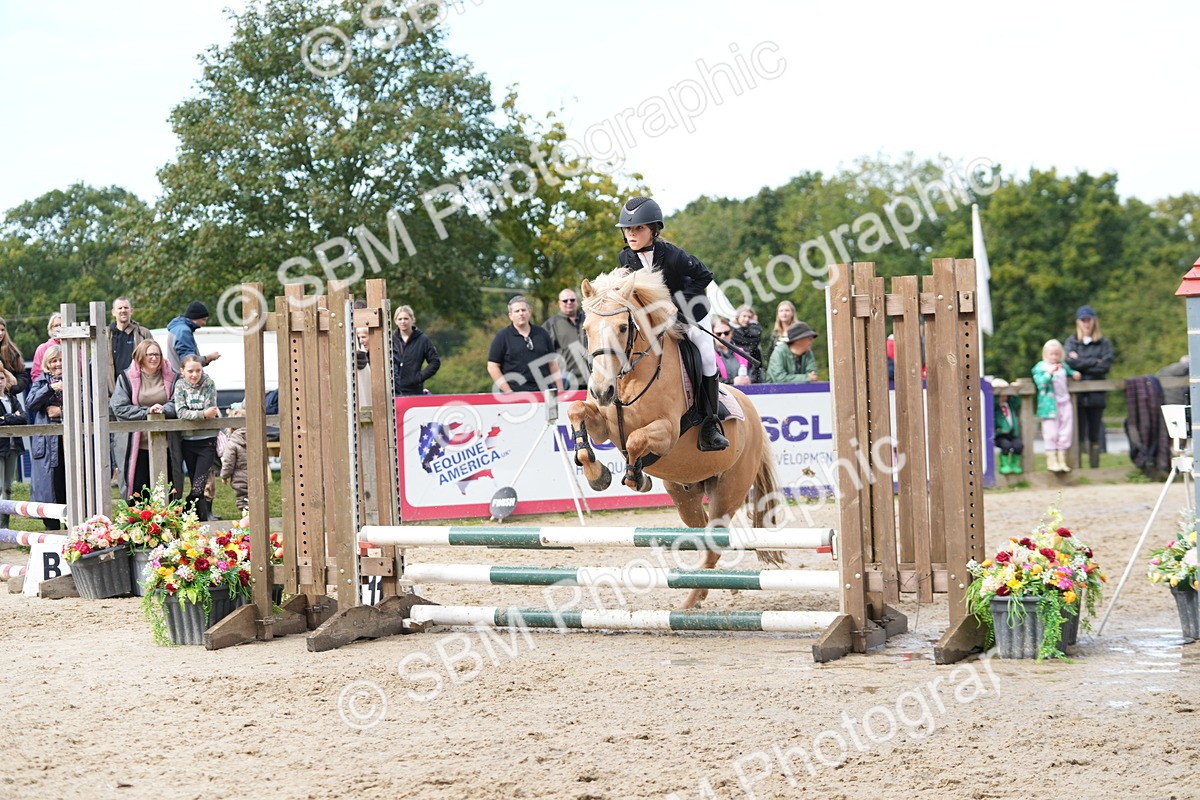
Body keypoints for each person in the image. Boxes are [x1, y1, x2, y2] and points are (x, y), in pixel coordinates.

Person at [615, 197, 728, 450]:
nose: (632, 234)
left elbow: (704, 276)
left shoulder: (673, 255)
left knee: (706, 357)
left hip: (690, 313)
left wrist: (676, 303)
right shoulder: (625, 258)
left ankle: (710, 423)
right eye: (628, 229)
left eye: (639, 228)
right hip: (657, 320)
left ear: (654, 230)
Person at [111, 339, 184, 501]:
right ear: (140, 356)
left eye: (157, 354)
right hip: (136, 445)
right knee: (138, 490)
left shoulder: (174, 377)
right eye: (149, 354)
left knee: (168, 488)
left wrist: (163, 410)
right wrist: (147, 412)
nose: (154, 358)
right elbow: (119, 407)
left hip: (167, 443)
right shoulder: (126, 377)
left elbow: (179, 402)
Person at [1064, 305, 1114, 468]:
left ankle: (1094, 467)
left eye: (1088, 320)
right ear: (1078, 322)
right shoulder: (1072, 342)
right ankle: (1078, 467)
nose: (1086, 323)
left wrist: (1081, 363)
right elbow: (1069, 363)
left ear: (1094, 321)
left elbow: (1105, 366)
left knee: (1095, 432)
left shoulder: (1103, 343)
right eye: (1083, 320)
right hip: (1076, 396)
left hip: (1096, 394)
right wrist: (1094, 361)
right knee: (1078, 432)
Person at [174, 355, 221, 520]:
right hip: (188, 441)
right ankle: (200, 518)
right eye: (190, 371)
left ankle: (185, 511)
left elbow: (211, 410)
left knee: (199, 484)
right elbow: (181, 412)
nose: (194, 375)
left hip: (207, 440)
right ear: (182, 371)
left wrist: (196, 414)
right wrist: (202, 414)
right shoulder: (180, 386)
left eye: (198, 371)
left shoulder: (208, 383)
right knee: (195, 481)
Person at [487, 295, 562, 394]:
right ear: (510, 316)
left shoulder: (542, 333)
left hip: (545, 392)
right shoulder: (502, 336)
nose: (521, 313)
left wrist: (561, 390)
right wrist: (508, 391)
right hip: (515, 394)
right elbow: (492, 367)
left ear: (529, 312)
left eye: (523, 310)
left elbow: (552, 363)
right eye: (517, 311)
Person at [26, 345, 66, 529]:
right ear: (47, 364)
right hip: (47, 445)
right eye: (53, 361)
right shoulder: (41, 382)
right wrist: (50, 389)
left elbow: (86, 404)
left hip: (70, 442)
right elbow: (31, 404)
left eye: (60, 360)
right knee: (50, 488)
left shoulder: (77, 380)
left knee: (68, 485)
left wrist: (61, 411)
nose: (57, 364)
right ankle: (51, 529)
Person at [1033, 339, 1081, 474]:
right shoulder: (1041, 367)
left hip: (1064, 402)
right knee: (1051, 432)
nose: (1054, 357)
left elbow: (1069, 371)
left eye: (1057, 354)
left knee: (1065, 430)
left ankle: (1062, 459)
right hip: (1049, 404)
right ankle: (1052, 460)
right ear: (1045, 354)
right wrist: (1050, 373)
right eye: (1051, 354)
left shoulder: (1063, 366)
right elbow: (1040, 383)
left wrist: (1074, 373)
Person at [544, 289, 589, 390]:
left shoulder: (588, 319)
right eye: (565, 301)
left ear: (577, 301)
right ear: (559, 303)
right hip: (568, 382)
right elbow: (546, 356)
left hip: (593, 379)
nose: (569, 302)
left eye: (572, 300)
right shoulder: (551, 325)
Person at [391, 305, 441, 397]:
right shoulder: (390, 340)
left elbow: (435, 362)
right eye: (400, 319)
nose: (403, 321)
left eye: (406, 318)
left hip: (414, 390)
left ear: (412, 319)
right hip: (394, 391)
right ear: (396, 321)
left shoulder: (422, 340)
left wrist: (419, 377)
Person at [0, 368, 27, 530]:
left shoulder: (12, 399)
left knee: (8, 488)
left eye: (2, 378)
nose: (0, 382)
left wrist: (5, 418)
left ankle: (5, 526)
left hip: (13, 446)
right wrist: (13, 417)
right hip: (0, 448)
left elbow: (24, 418)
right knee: (0, 487)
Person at [165, 301, 221, 372]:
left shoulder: (178, 328)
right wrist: (208, 358)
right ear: (195, 317)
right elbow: (189, 361)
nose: (204, 323)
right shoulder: (184, 331)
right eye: (203, 319)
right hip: (183, 377)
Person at [108, 297, 153, 383]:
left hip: (139, 385)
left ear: (131, 311)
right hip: (112, 387)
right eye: (120, 308)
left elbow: (153, 358)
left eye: (126, 307)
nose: (123, 310)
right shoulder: (106, 335)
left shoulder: (143, 333)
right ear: (113, 312)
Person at [221, 403, 250, 514]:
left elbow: (228, 462)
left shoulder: (232, 443)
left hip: (240, 480)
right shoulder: (255, 438)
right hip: (256, 477)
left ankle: (247, 520)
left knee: (243, 502)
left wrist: (224, 476)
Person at [991, 379, 1023, 475]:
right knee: (1006, 445)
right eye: (1001, 396)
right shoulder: (995, 407)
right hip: (1000, 434)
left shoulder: (1010, 405)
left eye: (1006, 396)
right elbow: (993, 401)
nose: (1004, 398)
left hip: (1011, 433)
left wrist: (1013, 388)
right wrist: (998, 390)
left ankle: (1014, 465)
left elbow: (1017, 400)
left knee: (1019, 445)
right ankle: (1004, 465)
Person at [711, 317, 751, 386]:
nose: (723, 336)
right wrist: (732, 381)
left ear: (731, 333)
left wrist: (750, 379)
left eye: (726, 333)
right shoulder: (709, 355)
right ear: (713, 334)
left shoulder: (742, 352)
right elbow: (710, 380)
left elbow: (755, 374)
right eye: (719, 334)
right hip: (721, 391)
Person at [731, 306, 765, 384]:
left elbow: (754, 339)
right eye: (744, 316)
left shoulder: (753, 329)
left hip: (753, 366)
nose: (746, 319)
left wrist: (754, 324)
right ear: (738, 317)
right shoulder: (732, 330)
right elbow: (747, 342)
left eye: (749, 317)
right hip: (738, 364)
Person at [0, 317, 30, 395]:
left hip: (8, 396)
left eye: (2, 330)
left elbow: (22, 375)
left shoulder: (11, 351)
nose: (0, 333)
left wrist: (13, 388)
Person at [29, 312, 62, 383]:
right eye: (56, 325)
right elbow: (36, 375)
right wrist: (49, 387)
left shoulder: (77, 348)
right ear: (51, 329)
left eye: (62, 325)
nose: (59, 328)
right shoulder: (43, 348)